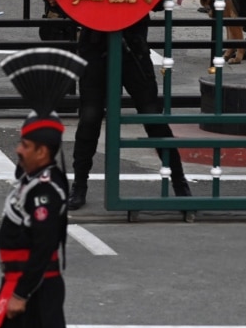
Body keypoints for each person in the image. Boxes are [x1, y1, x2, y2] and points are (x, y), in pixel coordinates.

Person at [0, 48, 83, 328]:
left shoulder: (45, 193)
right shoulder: (33, 177)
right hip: (19, 281)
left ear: (43, 152)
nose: (18, 150)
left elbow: (44, 245)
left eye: (25, 144)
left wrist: (21, 293)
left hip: (35, 286)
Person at [67, 15, 192, 210]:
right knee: (89, 117)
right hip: (95, 43)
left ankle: (179, 181)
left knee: (152, 116)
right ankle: (79, 184)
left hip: (133, 44)